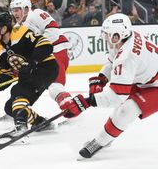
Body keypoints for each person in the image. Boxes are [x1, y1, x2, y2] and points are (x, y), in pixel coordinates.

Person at [59, 13, 158, 159]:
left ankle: (100, 142)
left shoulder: (127, 57)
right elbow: (112, 60)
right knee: (123, 110)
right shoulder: (124, 39)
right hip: (147, 80)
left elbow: (117, 97)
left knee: (127, 110)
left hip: (153, 84)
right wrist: (101, 78)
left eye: (107, 34)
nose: (104, 37)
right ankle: (107, 137)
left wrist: (86, 102)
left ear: (117, 35)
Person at [0, 0, 72, 128]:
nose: (14, 13)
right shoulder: (18, 27)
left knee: (54, 86)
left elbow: (53, 31)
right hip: (43, 58)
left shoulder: (36, 14)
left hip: (56, 51)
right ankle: (16, 111)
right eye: (13, 10)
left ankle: (73, 112)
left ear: (26, 8)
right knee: (27, 85)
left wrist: (36, 53)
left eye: (17, 9)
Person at [0, 12, 59, 141]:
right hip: (27, 75)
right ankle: (41, 123)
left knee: (19, 91)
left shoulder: (21, 33)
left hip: (46, 68)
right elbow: (7, 73)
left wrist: (32, 62)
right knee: (10, 107)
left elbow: (46, 45)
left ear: (4, 29)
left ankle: (21, 128)